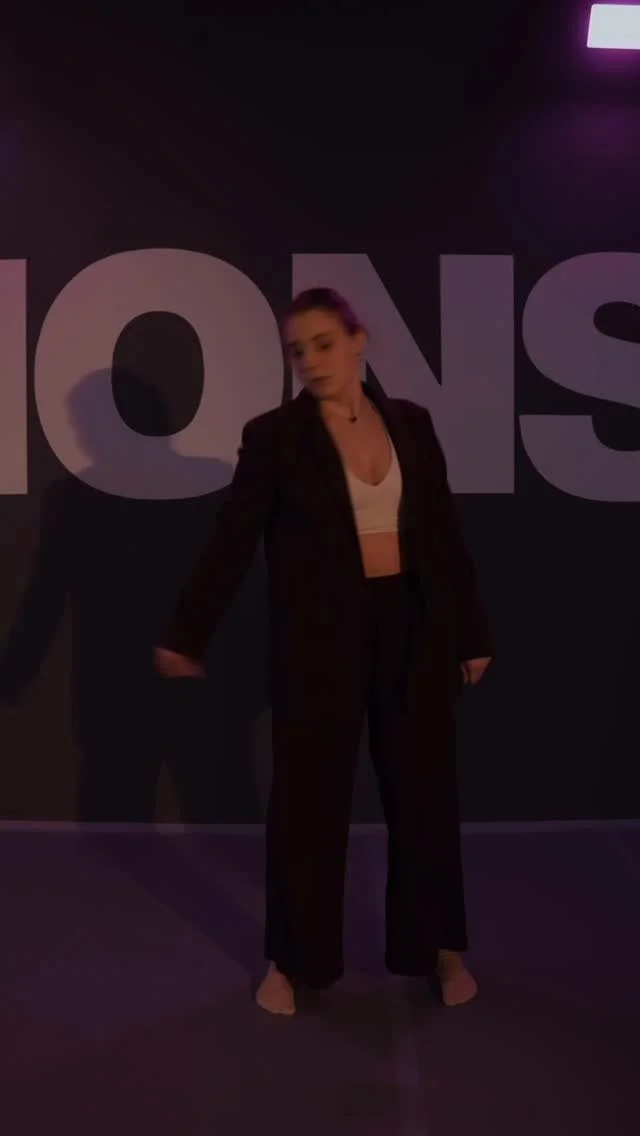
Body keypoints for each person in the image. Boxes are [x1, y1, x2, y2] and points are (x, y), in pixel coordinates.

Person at [155, 287, 493, 1017]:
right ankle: (292, 961)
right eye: (297, 350)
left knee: (425, 796)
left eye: (324, 343)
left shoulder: (413, 423)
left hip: (415, 629)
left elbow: (444, 535)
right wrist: (187, 632)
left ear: (358, 340)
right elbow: (231, 540)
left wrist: (472, 634)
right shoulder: (275, 436)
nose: (310, 360)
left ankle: (439, 947)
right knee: (308, 804)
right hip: (319, 639)